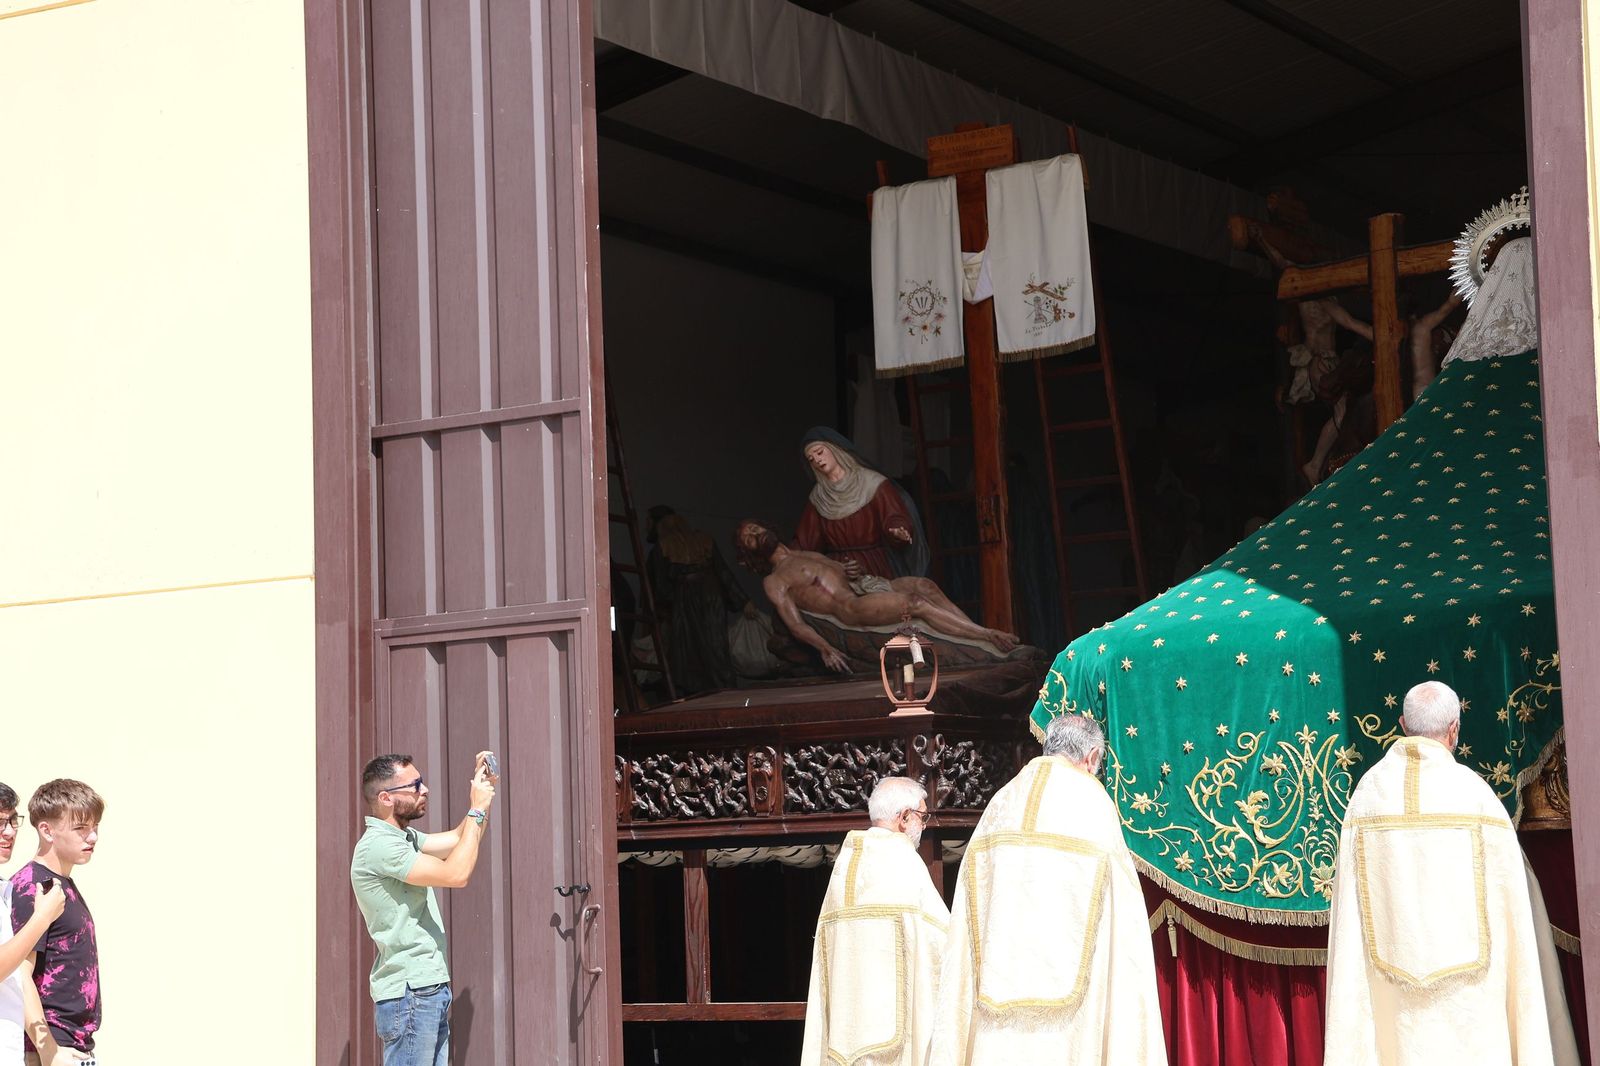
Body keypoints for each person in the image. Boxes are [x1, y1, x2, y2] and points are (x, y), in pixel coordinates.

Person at [1323, 681, 1579, 1065]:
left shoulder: (1367, 798)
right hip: (1472, 1011)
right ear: (1454, 729)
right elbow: (1516, 906)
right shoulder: (1476, 797)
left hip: (1394, 1006)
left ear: (1403, 724)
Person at [929, 715, 1166, 1066]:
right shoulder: (1092, 802)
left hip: (995, 998)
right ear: (1092, 757)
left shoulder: (1000, 802)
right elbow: (1122, 915)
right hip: (1073, 1018)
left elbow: (968, 907)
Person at [351, 752, 498, 1066]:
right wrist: (476, 809)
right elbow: (456, 874)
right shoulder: (379, 846)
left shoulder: (403, 838)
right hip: (410, 992)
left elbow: (461, 840)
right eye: (414, 785)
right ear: (386, 797)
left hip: (425, 988)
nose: (425, 789)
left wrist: (482, 798)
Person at [732, 519, 1017, 673]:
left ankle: (980, 635)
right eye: (750, 538)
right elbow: (795, 624)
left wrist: (851, 569)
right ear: (751, 554)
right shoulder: (775, 579)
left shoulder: (801, 552)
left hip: (868, 585)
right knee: (916, 605)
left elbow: (842, 573)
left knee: (925, 586)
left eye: (755, 528)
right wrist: (825, 648)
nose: (756, 534)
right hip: (853, 606)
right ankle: (986, 635)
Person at [801, 778, 948, 1066]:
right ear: (904, 818)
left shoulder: (845, 865)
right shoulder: (902, 861)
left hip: (844, 1037)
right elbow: (942, 943)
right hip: (895, 1041)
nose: (925, 825)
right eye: (922, 816)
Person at [9, 780, 104, 1066]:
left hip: (73, 1048)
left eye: (95, 826)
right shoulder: (33, 886)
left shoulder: (62, 884)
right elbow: (20, 976)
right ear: (47, 830)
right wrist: (49, 1051)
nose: (93, 837)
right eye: (81, 828)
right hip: (48, 1051)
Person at [795, 427, 929, 580]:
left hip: (873, 566)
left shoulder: (872, 482)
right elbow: (806, 541)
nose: (817, 460)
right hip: (837, 571)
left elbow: (894, 516)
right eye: (811, 459)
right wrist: (780, 552)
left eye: (820, 452)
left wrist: (898, 530)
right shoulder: (818, 496)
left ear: (835, 449)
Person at [0, 784, 71, 1066]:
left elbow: (18, 977)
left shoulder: (6, 890)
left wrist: (48, 1048)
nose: (9, 832)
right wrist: (42, 918)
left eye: (12, 821)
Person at [644, 507, 748, 694]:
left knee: (687, 652)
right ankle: (721, 689)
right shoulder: (703, 542)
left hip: (685, 602)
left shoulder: (663, 548)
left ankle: (702, 692)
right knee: (714, 648)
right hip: (709, 597)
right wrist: (743, 601)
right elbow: (723, 573)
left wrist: (660, 612)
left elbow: (660, 588)